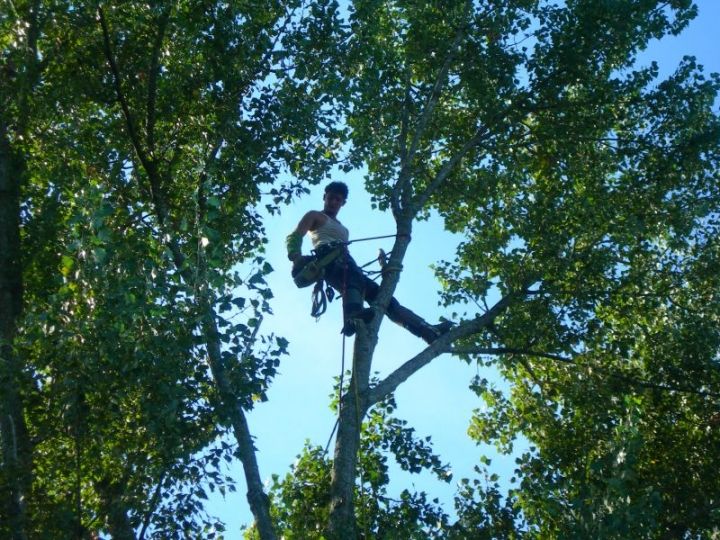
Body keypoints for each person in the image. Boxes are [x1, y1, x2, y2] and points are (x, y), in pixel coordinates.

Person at [285, 181, 452, 343]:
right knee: (353, 279)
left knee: (383, 298)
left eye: (338, 199)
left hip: (347, 263)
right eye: (331, 198)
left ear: (343, 203)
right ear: (324, 197)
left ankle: (427, 331)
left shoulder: (344, 229)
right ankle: (352, 316)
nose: (333, 202)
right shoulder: (315, 215)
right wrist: (295, 255)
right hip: (327, 258)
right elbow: (295, 235)